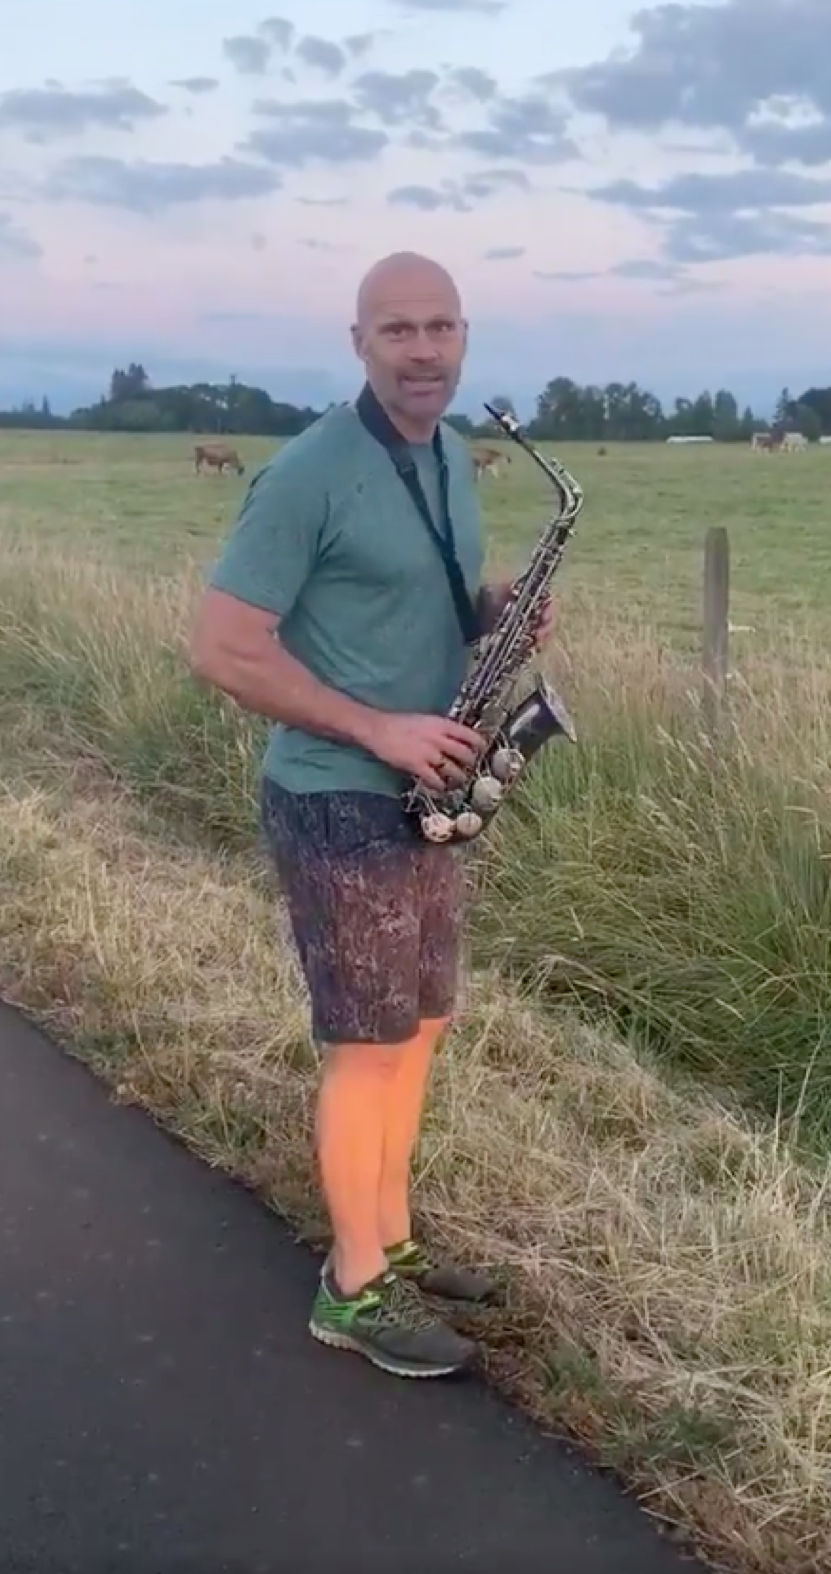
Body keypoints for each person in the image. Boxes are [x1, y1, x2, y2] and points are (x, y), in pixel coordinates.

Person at [185, 252, 552, 1379]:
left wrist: (501, 611)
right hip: (340, 794)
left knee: (422, 1028)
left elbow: (409, 589)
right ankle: (351, 1292)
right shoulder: (307, 474)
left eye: (442, 326)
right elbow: (225, 649)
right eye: (399, 329)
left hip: (430, 791)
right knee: (367, 1045)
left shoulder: (450, 456)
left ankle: (387, 1243)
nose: (425, 348)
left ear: (465, 336)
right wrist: (378, 728)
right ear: (359, 344)